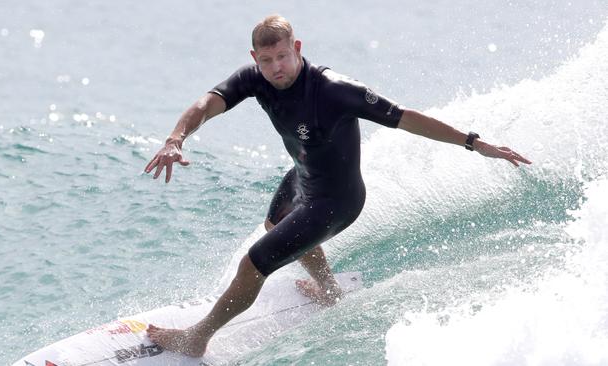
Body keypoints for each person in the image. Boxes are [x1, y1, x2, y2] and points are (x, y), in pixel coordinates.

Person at [143, 15, 531, 357]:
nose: (276, 67)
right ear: (254, 58)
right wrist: (176, 139)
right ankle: (329, 290)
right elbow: (207, 104)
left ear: (297, 48)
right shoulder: (255, 80)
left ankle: (198, 337)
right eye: (266, 60)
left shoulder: (334, 89)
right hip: (304, 178)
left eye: (282, 57)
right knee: (275, 226)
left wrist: (473, 142)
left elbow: (406, 118)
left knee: (253, 264)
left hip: (338, 200)